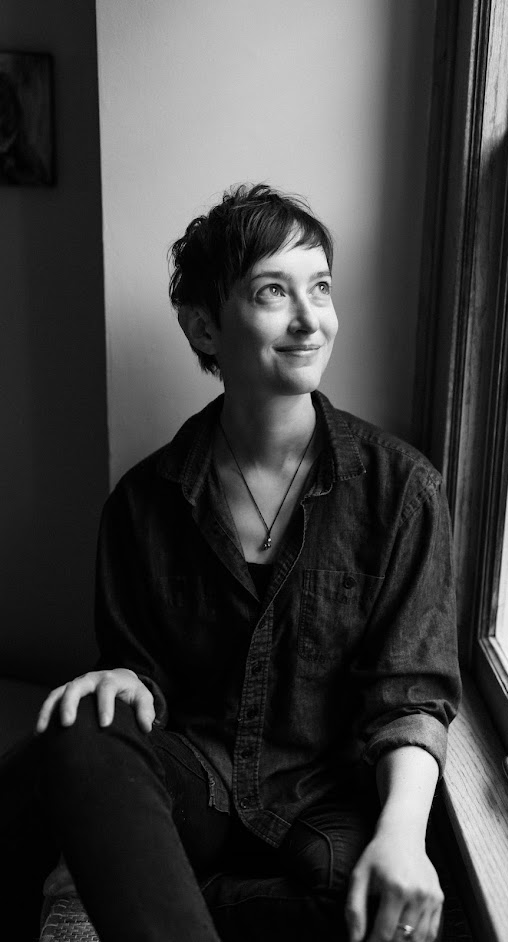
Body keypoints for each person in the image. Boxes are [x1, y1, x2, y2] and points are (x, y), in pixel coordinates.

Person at [36, 184, 461, 942]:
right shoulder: (143, 501)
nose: (311, 319)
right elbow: (143, 679)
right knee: (75, 735)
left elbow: (410, 698)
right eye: (274, 291)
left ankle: (164, 900)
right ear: (204, 324)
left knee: (370, 908)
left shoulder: (403, 491)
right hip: (198, 784)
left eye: (321, 288)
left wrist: (403, 839)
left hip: (324, 804)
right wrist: (126, 679)